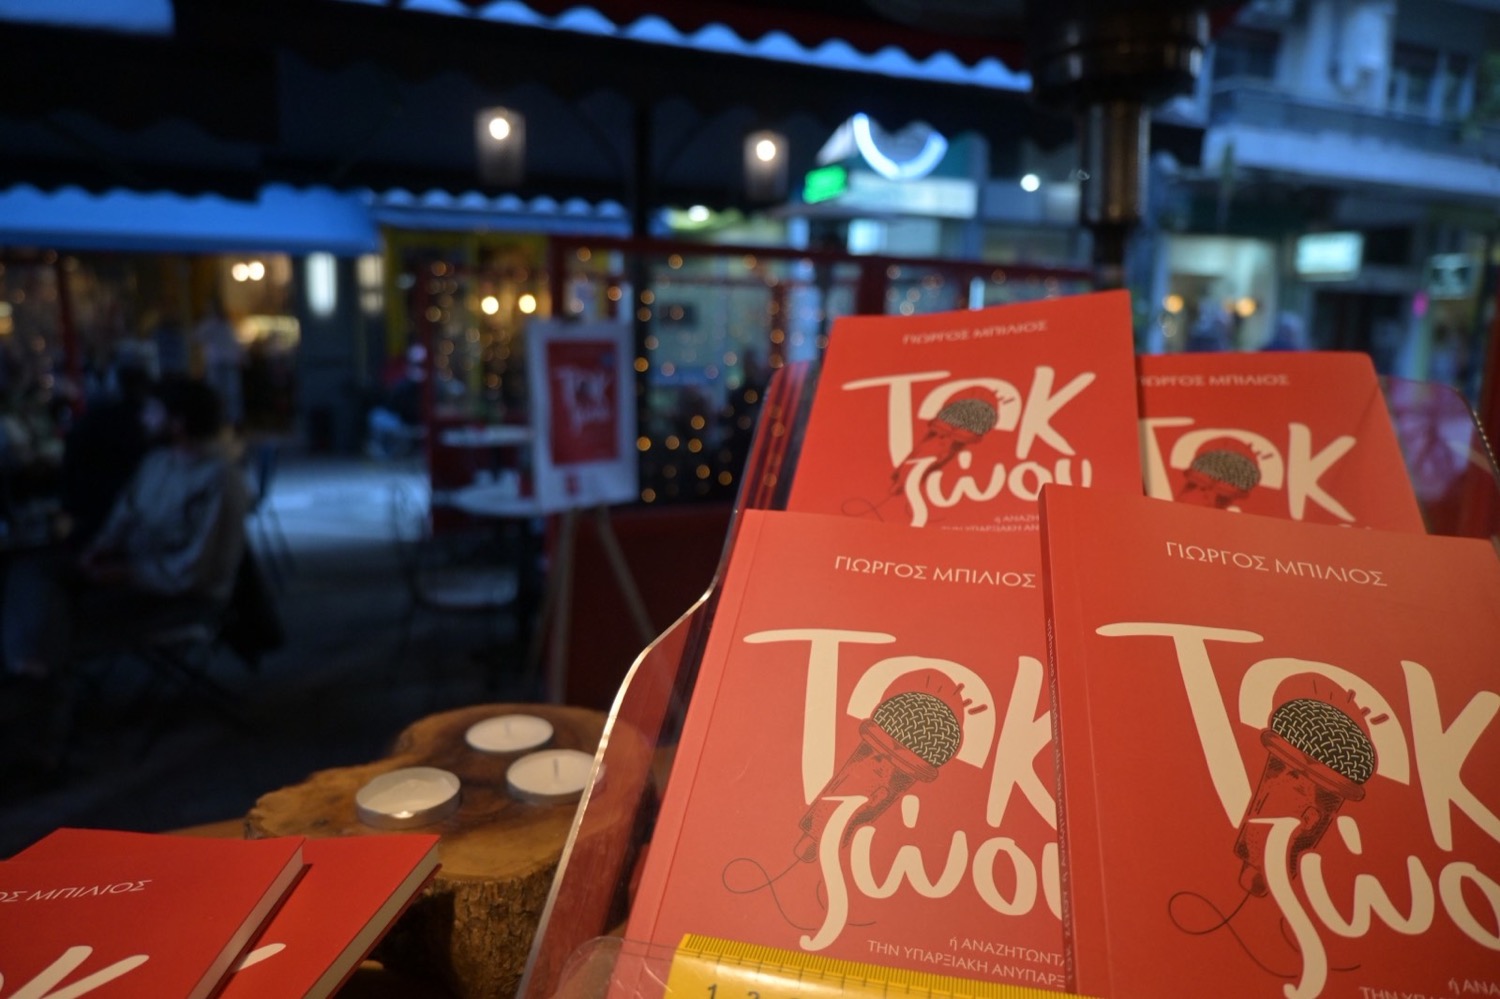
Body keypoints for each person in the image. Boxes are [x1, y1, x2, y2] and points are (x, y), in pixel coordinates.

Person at [72, 377, 249, 642]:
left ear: (178, 422)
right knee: (36, 577)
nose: (143, 418)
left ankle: (33, 662)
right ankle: (33, 660)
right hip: (137, 574)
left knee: (59, 611)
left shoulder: (219, 478)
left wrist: (127, 572)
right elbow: (123, 517)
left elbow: (195, 569)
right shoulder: (156, 462)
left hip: (181, 595)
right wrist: (100, 550)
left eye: (152, 411)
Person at [192, 297, 245, 429]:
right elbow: (196, 337)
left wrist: (240, 357)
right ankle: (221, 420)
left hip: (226, 363)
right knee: (219, 393)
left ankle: (233, 420)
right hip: (217, 363)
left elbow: (234, 343)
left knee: (231, 393)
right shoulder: (210, 324)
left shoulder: (225, 324)